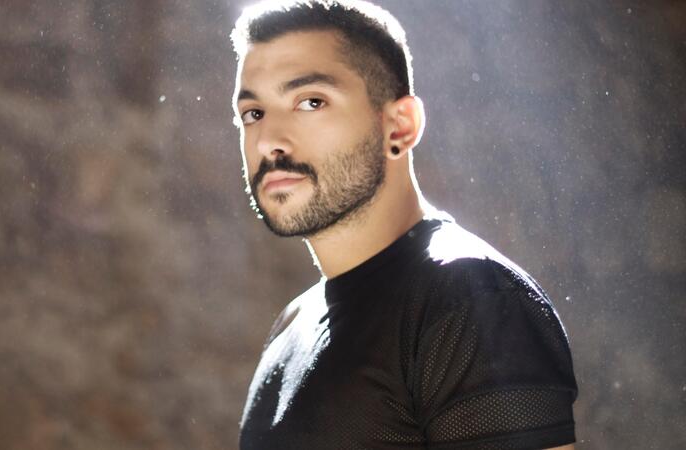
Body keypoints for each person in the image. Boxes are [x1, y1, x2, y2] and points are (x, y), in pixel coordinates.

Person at [229, 1, 579, 449]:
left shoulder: (469, 300)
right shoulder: (293, 324)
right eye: (253, 113)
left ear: (400, 127)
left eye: (311, 102)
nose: (269, 141)